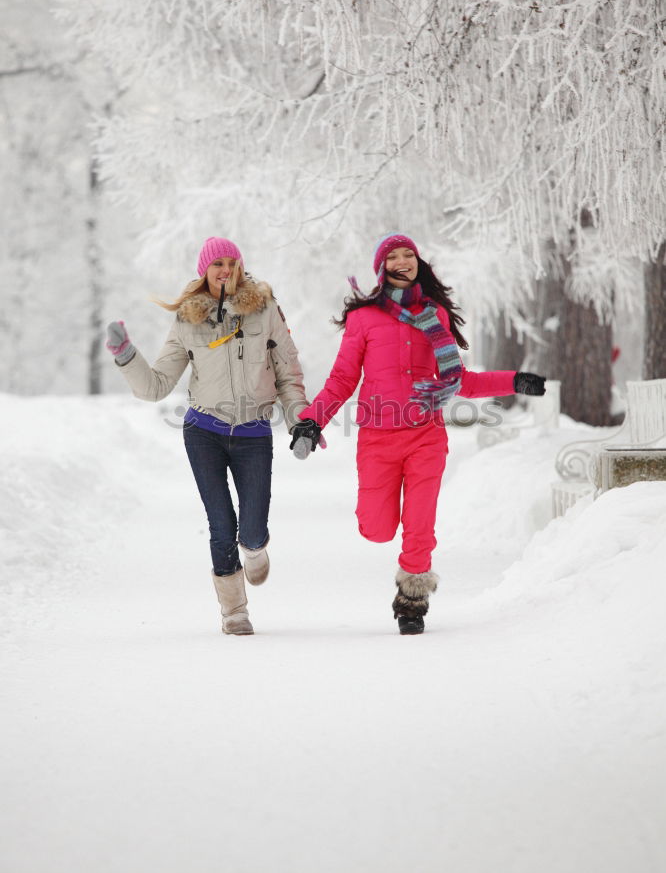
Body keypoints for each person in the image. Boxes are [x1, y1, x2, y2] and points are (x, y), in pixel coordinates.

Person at [290, 233, 545, 636]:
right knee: (376, 528)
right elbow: (342, 380)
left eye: (409, 254)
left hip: (426, 435)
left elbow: (460, 381)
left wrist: (514, 381)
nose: (404, 260)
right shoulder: (364, 318)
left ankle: (412, 599)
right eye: (394, 256)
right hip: (377, 438)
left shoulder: (436, 316)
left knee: (420, 524)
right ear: (382, 268)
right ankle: (398, 562)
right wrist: (312, 420)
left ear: (417, 263)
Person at [106, 236, 308, 636]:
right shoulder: (188, 318)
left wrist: (300, 420)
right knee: (220, 523)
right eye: (217, 265)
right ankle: (234, 611)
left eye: (231, 264)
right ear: (204, 271)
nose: (224, 271)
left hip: (253, 433)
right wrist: (126, 355)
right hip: (204, 433)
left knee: (251, 529)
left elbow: (288, 373)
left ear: (240, 268)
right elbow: (158, 385)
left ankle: (254, 548)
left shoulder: (265, 309)